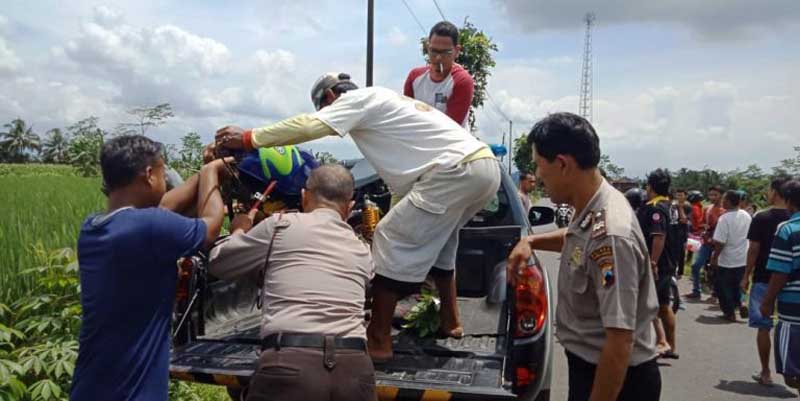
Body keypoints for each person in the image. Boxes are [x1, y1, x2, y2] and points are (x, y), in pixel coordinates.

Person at [214, 72, 501, 361]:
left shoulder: (358, 99)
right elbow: (408, 180)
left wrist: (250, 138)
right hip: (483, 168)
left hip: (453, 170)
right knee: (444, 244)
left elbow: (311, 126)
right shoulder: (386, 103)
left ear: (329, 98)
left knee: (390, 235)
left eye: (327, 109)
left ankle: (378, 340)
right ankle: (451, 322)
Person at [508, 113, 660, 401]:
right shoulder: (592, 207)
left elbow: (619, 340)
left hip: (615, 381)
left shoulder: (612, 235)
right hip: (593, 370)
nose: (538, 177)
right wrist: (531, 240)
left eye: (540, 166)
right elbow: (577, 240)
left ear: (563, 164)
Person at [70, 136, 227, 401]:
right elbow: (210, 225)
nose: (166, 181)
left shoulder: (94, 227)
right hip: (134, 392)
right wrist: (212, 172)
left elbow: (166, 207)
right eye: (164, 172)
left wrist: (203, 173)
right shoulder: (151, 227)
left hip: (89, 387)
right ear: (149, 175)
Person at [207, 164, 376, 401]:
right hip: (356, 371)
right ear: (349, 208)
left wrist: (238, 231)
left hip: (290, 365)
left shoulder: (279, 227)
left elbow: (219, 263)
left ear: (304, 197)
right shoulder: (362, 250)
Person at [741, 177, 792, 386]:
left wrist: (746, 275)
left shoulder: (762, 217)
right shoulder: (793, 218)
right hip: (791, 280)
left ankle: (766, 372)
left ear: (775, 192)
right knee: (792, 325)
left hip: (764, 277)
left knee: (764, 326)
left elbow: (754, 249)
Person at [761, 179, 800, 394]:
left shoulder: (787, 229)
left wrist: (767, 302)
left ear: (788, 202)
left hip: (794, 311)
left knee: (791, 372)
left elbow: (780, 272)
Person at [639, 169, 679, 359]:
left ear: (651, 187)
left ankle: (660, 343)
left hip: (658, 264)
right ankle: (670, 346)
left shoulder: (654, 208)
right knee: (663, 305)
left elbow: (658, 237)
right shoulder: (669, 205)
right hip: (669, 262)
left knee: (649, 305)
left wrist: (653, 262)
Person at [404, 21, 474, 127]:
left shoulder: (462, 81)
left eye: (446, 52)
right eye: (434, 51)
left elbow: (450, 128)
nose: (438, 58)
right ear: (428, 48)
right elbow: (405, 115)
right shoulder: (414, 77)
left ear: (457, 51)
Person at [710, 190, 752, 321]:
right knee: (739, 284)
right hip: (743, 257)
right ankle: (741, 303)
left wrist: (715, 257)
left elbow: (720, 242)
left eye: (724, 199)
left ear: (728, 202)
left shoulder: (724, 218)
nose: (722, 202)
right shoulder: (746, 215)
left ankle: (730, 312)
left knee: (724, 287)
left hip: (727, 259)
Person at [687, 185, 725, 299]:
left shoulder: (725, 210)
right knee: (695, 266)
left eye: (715, 195)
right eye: (711, 195)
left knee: (717, 269)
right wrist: (705, 227)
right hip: (707, 242)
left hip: (719, 244)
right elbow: (701, 223)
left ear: (721, 196)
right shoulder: (706, 209)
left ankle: (715, 293)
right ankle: (696, 290)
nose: (712, 197)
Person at [672, 189, 692, 278]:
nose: (679, 197)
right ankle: (673, 269)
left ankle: (680, 272)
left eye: (681, 195)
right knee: (673, 251)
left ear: (685, 196)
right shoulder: (673, 205)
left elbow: (684, 220)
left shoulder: (687, 206)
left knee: (681, 252)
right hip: (674, 230)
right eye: (677, 195)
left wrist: (680, 207)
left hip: (682, 232)